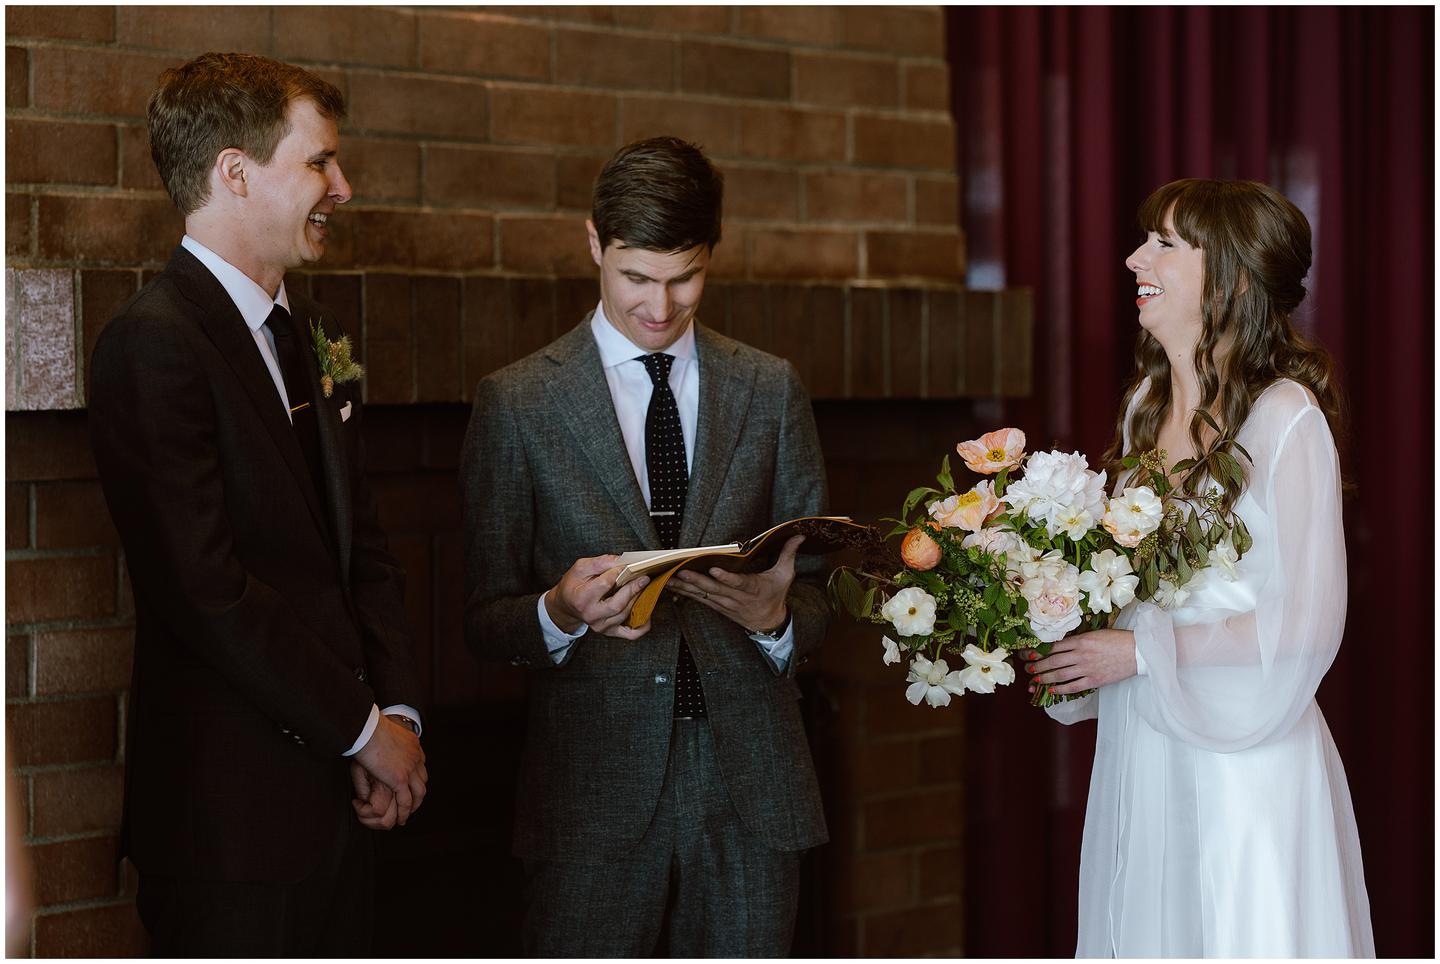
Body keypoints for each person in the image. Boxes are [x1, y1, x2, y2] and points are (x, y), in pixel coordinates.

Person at [88, 53, 427, 955]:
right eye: (319, 162)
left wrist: (399, 717)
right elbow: (209, 591)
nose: (343, 186)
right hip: (230, 827)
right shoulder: (151, 346)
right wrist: (364, 731)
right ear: (234, 172)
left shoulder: (308, 335)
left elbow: (368, 552)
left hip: (342, 806)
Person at [461, 136, 830, 957]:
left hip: (753, 787)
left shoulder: (770, 389)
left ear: (712, 257)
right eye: (636, 278)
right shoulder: (518, 403)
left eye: (684, 278)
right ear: (594, 244)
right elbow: (483, 618)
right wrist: (558, 611)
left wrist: (778, 617)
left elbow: (826, 587)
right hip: (591, 789)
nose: (660, 307)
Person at [1028, 178, 1373, 957]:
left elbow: (1310, 624)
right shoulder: (1144, 404)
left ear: (1232, 277)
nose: (1132, 258)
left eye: (1165, 244)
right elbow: (1133, 581)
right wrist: (1059, 621)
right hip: (1148, 748)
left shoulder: (1286, 417)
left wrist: (1142, 651)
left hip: (1246, 758)